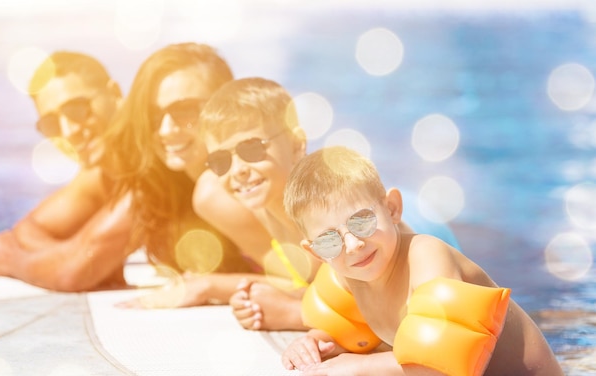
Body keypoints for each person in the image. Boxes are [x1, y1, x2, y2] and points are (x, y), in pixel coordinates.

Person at [281, 146, 564, 375]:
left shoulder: (427, 258)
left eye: (362, 222)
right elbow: (349, 333)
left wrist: (361, 367)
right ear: (316, 252)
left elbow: (442, 365)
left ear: (392, 209)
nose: (353, 245)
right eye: (330, 240)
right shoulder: (347, 275)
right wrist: (315, 343)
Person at [199, 77, 428, 331]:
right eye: (221, 161)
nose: (238, 170)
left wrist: (293, 313)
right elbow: (319, 287)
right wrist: (252, 296)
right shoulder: (262, 206)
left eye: (252, 149)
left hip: (419, 228)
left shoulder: (333, 213)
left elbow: (400, 315)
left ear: (297, 144)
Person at [102, 43, 275, 308]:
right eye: (153, 115)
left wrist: (208, 286)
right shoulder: (179, 187)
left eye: (185, 111)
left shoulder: (217, 189)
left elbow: (305, 282)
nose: (166, 129)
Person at [0, 51, 133, 291]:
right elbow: (28, 230)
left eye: (76, 109)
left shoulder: (153, 163)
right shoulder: (104, 173)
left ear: (115, 94)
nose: (68, 132)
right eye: (52, 124)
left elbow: (73, 274)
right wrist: (68, 255)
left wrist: (10, 260)